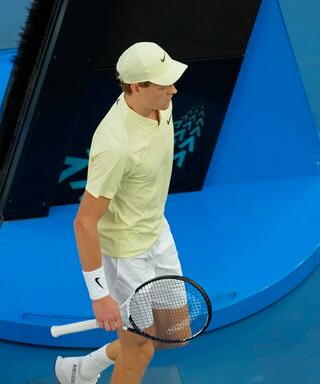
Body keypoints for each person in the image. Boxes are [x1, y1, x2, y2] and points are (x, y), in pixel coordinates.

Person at [55, 42, 188, 384]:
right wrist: (99, 295)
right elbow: (84, 222)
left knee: (174, 334)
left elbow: (166, 93)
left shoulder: (161, 103)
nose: (173, 90)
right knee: (140, 350)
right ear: (136, 87)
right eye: (162, 85)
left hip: (157, 233)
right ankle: (86, 371)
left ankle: (84, 367)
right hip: (126, 256)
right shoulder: (116, 146)